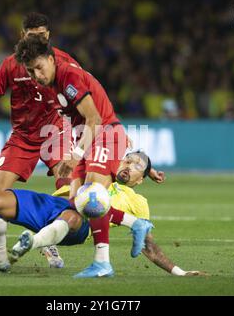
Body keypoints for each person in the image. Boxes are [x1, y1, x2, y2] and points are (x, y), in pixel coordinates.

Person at [15, 36, 164, 278]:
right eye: (30, 71)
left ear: (51, 59)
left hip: (103, 133)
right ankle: (127, 232)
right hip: (90, 136)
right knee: (78, 201)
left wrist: (75, 154)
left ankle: (105, 259)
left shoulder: (67, 76)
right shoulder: (52, 81)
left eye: (39, 68)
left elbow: (95, 119)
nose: (36, 75)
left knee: (94, 195)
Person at [0, 151, 205, 277]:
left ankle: (34, 242)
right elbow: (105, 137)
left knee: (77, 214)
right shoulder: (102, 167)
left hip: (77, 226)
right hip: (51, 205)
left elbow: (148, 247)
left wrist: (179, 272)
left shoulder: (137, 202)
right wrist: (147, 166)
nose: (129, 166)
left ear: (141, 180)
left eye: (137, 167)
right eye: (127, 160)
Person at [0, 13, 80, 268]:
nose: (38, 40)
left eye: (42, 36)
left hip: (56, 132)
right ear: (23, 36)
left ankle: (47, 240)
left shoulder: (62, 61)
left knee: (66, 188)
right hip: (22, 135)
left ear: (48, 36)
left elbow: (85, 93)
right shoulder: (10, 65)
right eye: (32, 36)